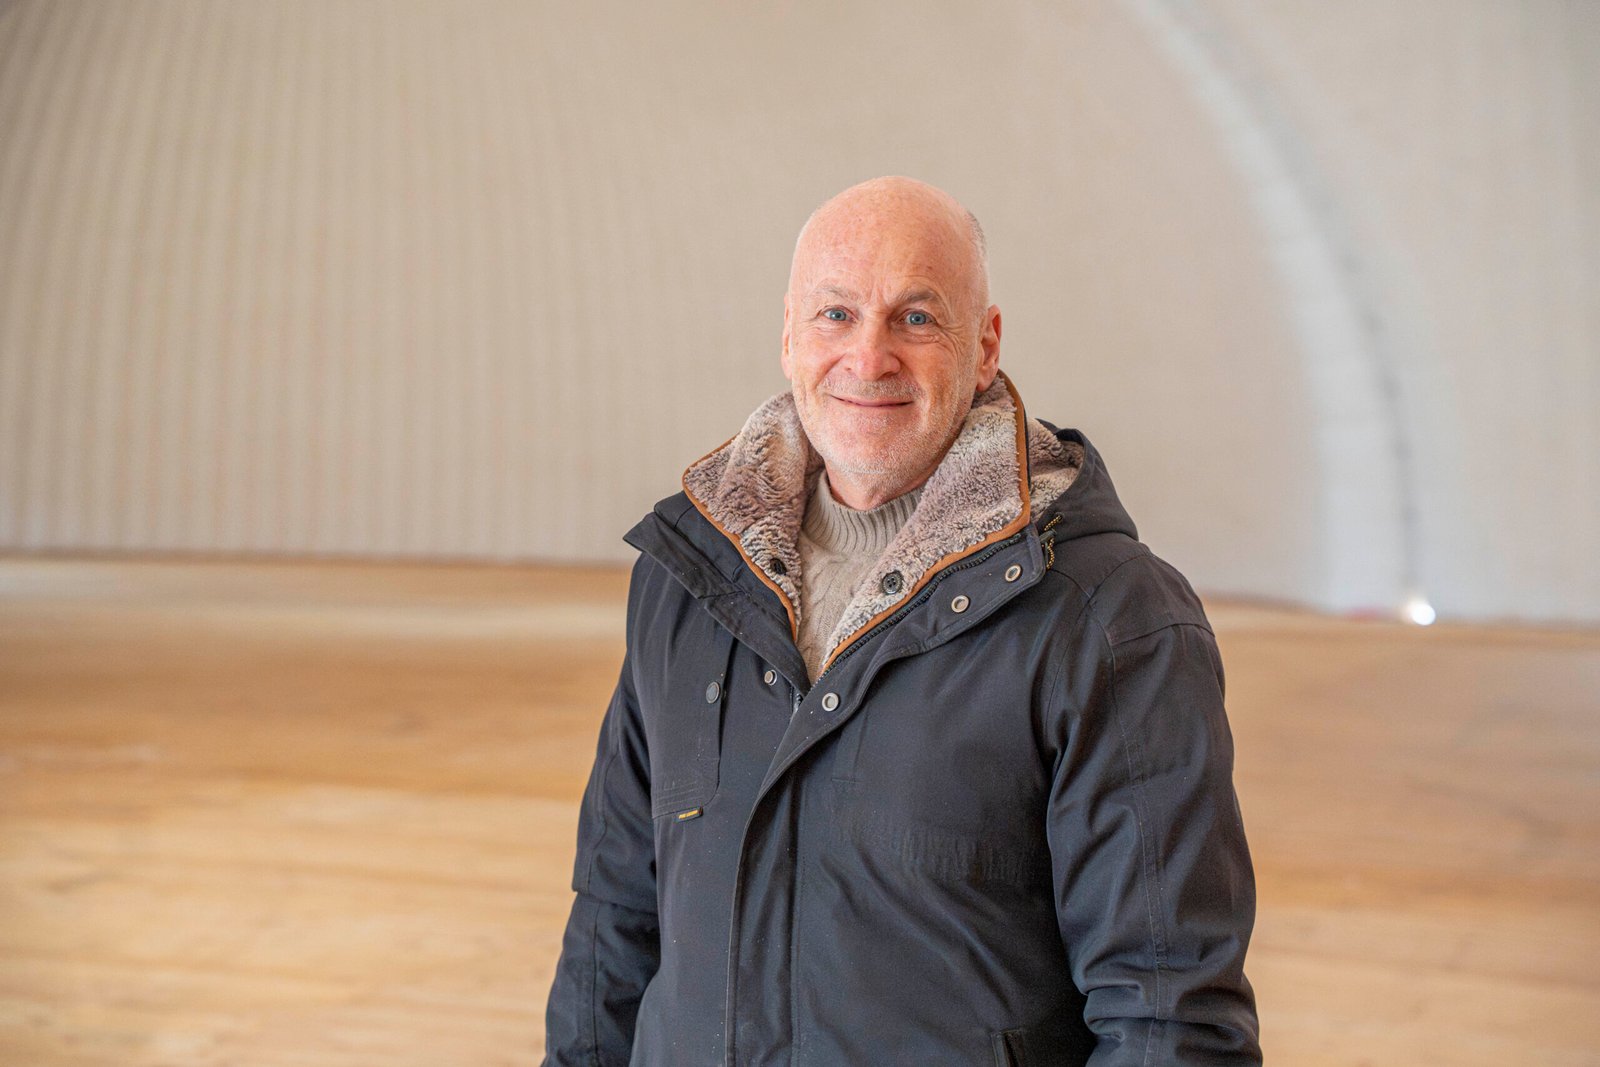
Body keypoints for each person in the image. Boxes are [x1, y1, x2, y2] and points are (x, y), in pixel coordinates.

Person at [543, 176, 1261, 1065]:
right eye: (836, 314)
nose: (869, 356)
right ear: (788, 335)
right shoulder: (686, 580)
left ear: (985, 346)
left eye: (915, 318)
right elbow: (613, 922)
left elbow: (1169, 1016)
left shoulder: (1109, 620)